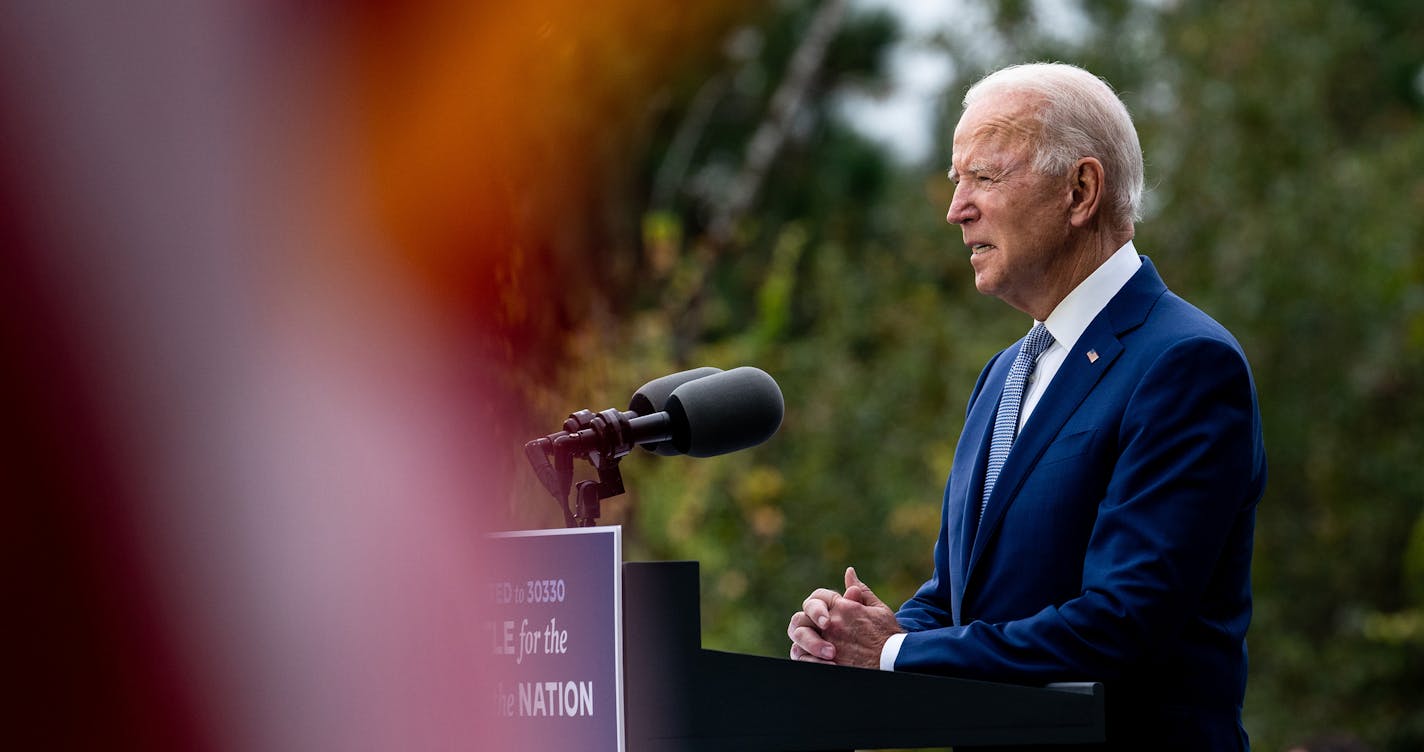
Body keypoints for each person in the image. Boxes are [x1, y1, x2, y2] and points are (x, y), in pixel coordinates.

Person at [787, 62, 1267, 750]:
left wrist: (894, 655)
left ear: (1080, 190)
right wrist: (861, 634)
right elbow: (965, 599)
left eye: (984, 177)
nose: (956, 209)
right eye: (958, 181)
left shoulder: (1186, 364)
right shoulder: (1004, 374)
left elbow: (1121, 623)